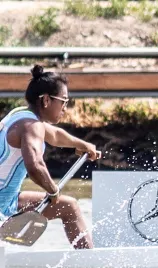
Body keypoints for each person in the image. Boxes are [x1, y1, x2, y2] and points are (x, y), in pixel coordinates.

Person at [0, 65, 101, 249]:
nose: (65, 108)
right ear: (46, 100)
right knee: (68, 206)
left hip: (7, 201)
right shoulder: (31, 126)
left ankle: (90, 264)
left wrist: (81, 144)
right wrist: (53, 190)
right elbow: (35, 166)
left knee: (69, 206)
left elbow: (54, 135)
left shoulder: (20, 115)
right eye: (64, 101)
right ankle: (91, 266)